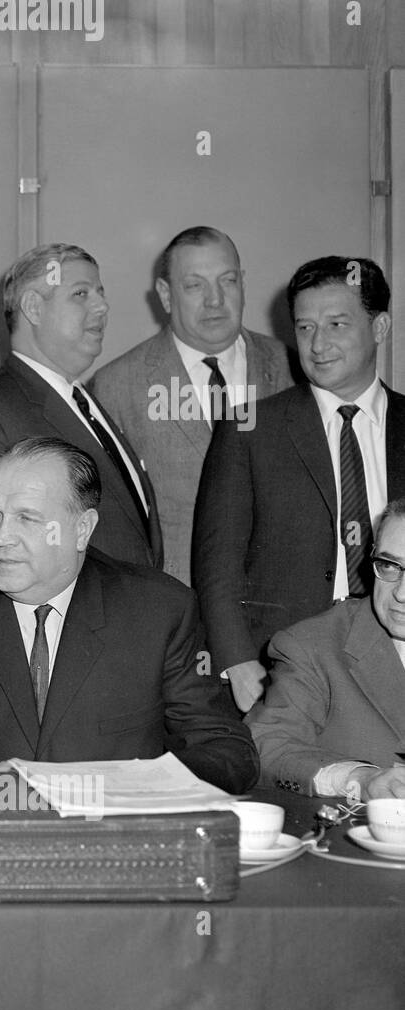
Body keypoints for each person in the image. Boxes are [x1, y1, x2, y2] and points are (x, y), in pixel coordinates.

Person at [0, 437, 257, 794]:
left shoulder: (160, 610)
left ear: (82, 529)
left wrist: (132, 786)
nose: (0, 537)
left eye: (27, 518)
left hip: (112, 850)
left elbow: (228, 753)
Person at [194, 256, 405, 713]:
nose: (318, 344)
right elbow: (217, 563)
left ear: (380, 327)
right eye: (305, 328)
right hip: (283, 665)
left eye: (336, 324)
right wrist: (238, 663)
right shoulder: (249, 430)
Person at [0, 242, 162, 573]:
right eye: (81, 294)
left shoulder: (87, 403)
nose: (103, 306)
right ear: (33, 307)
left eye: (100, 293)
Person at [91, 226, 293, 583]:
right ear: (166, 296)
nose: (215, 300)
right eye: (195, 285)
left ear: (243, 283)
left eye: (227, 281)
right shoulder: (116, 387)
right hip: (175, 605)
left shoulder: (292, 370)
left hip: (279, 599)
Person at [246, 499, 405, 799]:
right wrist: (359, 779)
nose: (400, 593)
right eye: (389, 565)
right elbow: (264, 747)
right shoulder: (313, 646)